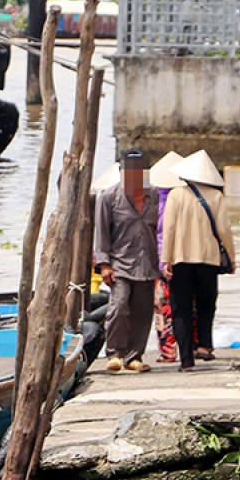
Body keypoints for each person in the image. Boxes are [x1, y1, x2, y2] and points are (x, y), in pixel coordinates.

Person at [161, 150, 237, 371]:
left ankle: (186, 361)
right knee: (206, 304)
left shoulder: (176, 195)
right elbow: (224, 230)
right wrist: (232, 259)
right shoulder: (216, 197)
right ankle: (204, 345)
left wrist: (166, 259)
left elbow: (170, 229)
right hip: (209, 260)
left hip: (180, 259)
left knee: (181, 309)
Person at [93, 149, 160, 373]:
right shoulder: (109, 197)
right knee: (119, 306)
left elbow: (161, 230)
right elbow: (101, 232)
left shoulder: (154, 195)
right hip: (120, 263)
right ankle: (114, 353)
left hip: (147, 263)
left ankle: (134, 356)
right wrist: (104, 264)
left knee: (142, 313)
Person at [148, 151, 186, 364]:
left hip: (159, 261)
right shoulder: (187, 199)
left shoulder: (153, 201)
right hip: (184, 259)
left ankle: (168, 352)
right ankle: (189, 348)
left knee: (163, 308)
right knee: (186, 306)